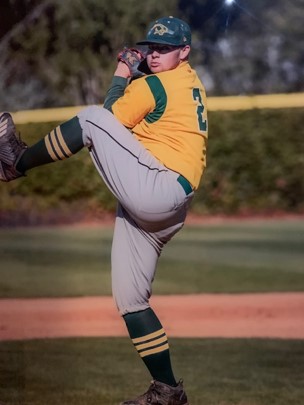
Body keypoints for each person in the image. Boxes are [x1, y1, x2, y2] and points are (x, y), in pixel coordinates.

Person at [0, 16, 208, 405]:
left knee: (93, 118)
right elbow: (132, 128)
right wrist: (138, 69)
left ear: (185, 51)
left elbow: (110, 121)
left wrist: (122, 72)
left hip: (158, 188)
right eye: (153, 48)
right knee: (131, 300)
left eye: (166, 49)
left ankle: (16, 163)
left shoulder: (156, 84)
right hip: (166, 204)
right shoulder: (189, 82)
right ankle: (167, 392)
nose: (157, 54)